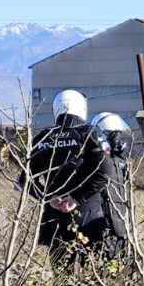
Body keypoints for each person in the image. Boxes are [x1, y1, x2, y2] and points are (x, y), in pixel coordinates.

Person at [26, 89, 109, 261]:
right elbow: (106, 173)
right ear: (82, 108)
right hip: (88, 213)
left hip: (54, 215)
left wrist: (48, 198)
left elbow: (24, 180)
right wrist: (76, 198)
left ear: (56, 109)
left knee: (61, 272)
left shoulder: (42, 137)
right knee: (92, 273)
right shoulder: (89, 132)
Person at [81, 112, 134, 258]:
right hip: (103, 226)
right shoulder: (102, 163)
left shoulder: (118, 164)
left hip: (115, 226)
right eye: (115, 135)